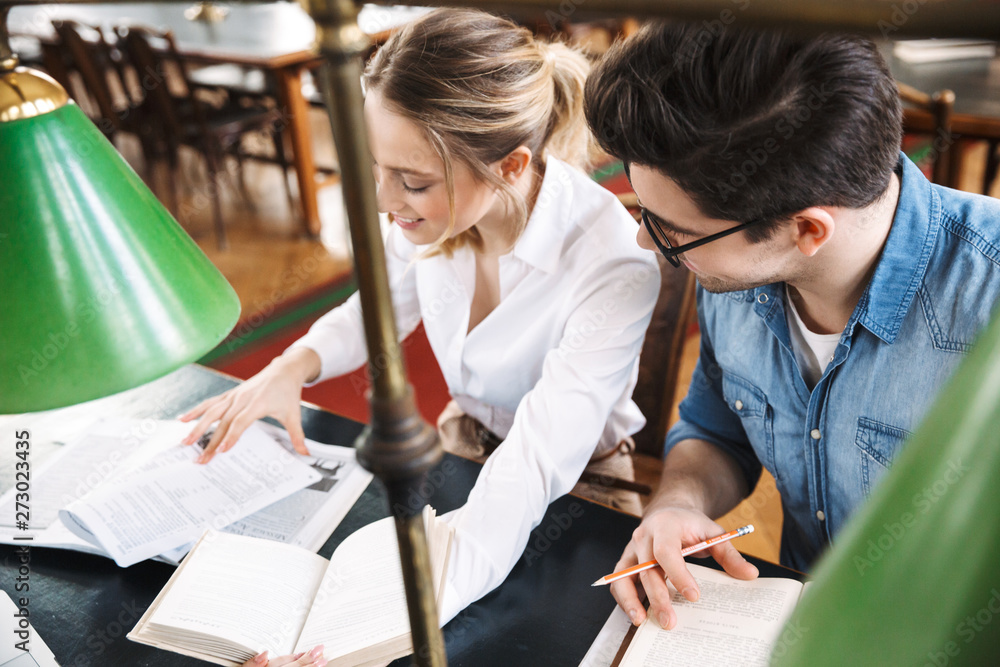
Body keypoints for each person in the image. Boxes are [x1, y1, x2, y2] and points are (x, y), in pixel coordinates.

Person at [184, 9, 660, 662]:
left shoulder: (611, 262)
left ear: (512, 164)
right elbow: (373, 310)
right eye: (378, 168)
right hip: (460, 444)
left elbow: (534, 461)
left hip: (580, 486)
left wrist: (396, 621)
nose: (386, 199)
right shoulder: (429, 215)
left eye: (412, 181)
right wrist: (290, 366)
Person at [584, 22, 1000, 632]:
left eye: (673, 230)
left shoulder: (985, 302)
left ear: (807, 230)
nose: (646, 240)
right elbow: (714, 429)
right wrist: (677, 505)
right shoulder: (736, 272)